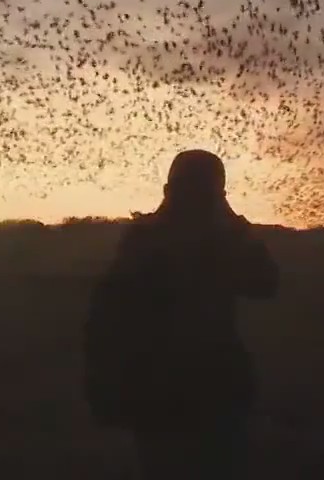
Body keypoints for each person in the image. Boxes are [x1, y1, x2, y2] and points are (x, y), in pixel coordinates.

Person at [84, 149, 279, 480]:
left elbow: (264, 284)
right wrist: (235, 224)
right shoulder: (204, 240)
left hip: (174, 394)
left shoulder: (146, 239)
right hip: (194, 392)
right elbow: (266, 283)